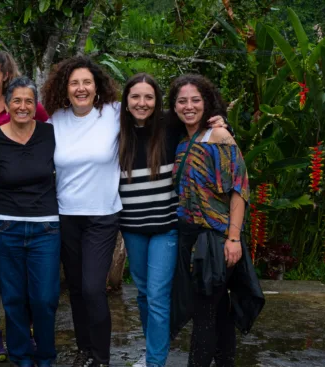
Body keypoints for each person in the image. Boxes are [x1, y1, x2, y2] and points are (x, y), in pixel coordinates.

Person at [118, 73, 228, 367]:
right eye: (135, 97)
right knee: (142, 294)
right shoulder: (117, 133)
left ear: (157, 101)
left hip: (166, 228)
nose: (142, 103)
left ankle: (155, 362)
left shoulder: (169, 128)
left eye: (149, 97)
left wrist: (219, 123)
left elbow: (197, 115)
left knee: (156, 296)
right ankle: (152, 349)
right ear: (126, 102)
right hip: (132, 228)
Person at [0, 47, 48, 362]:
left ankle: (28, 331)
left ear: (5, 77)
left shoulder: (22, 104)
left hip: (18, 205)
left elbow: (47, 140)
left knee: (23, 273)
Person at [41, 56, 120, 367]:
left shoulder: (114, 113)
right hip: (66, 215)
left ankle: (101, 357)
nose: (81, 88)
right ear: (65, 87)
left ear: (97, 86)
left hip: (103, 215)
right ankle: (84, 350)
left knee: (92, 288)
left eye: (87, 82)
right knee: (75, 288)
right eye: (75, 82)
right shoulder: (55, 120)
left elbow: (152, 119)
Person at [169, 74, 253, 367]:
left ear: (207, 103)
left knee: (204, 312)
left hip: (216, 238)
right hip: (189, 237)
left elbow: (239, 189)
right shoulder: (182, 142)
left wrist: (233, 238)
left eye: (195, 100)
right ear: (175, 106)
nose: (189, 106)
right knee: (217, 311)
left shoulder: (219, 137)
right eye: (182, 101)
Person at [0, 77, 60, 367]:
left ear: (35, 104)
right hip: (6, 226)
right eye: (17, 100)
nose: (23, 106)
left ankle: (46, 357)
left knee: (44, 298)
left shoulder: (50, 134)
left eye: (29, 101)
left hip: (46, 227)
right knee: (13, 298)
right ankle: (20, 358)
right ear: (7, 104)